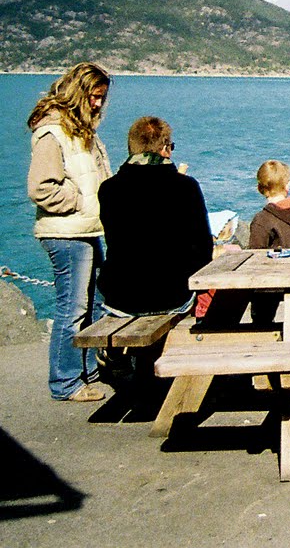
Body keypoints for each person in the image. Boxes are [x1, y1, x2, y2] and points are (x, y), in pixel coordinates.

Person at [27, 62, 113, 402]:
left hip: (86, 229)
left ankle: (88, 372)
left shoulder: (79, 130)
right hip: (67, 232)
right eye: (94, 97)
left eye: (102, 98)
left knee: (94, 303)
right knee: (72, 308)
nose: (98, 104)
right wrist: (80, 201)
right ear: (80, 92)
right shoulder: (53, 132)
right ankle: (66, 381)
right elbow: (41, 187)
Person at [97, 117, 213, 316]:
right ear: (165, 148)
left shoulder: (109, 189)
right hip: (172, 296)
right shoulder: (186, 187)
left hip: (121, 298)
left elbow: (114, 241)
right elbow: (203, 250)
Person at [247, 159, 290, 323]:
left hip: (273, 282)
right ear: (287, 186)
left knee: (259, 294)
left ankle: (261, 325)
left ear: (260, 189)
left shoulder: (262, 220)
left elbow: (254, 257)